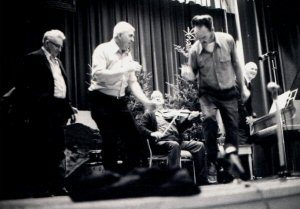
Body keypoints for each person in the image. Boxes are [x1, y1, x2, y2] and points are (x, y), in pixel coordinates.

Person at [181, 15, 250, 182]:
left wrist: (243, 88)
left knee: (232, 129)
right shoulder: (195, 50)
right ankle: (212, 159)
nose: (201, 41)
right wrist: (188, 75)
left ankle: (226, 168)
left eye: (204, 37)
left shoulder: (227, 40)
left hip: (228, 92)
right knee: (210, 120)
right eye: (198, 38)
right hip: (207, 94)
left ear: (212, 30)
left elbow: (237, 65)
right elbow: (192, 73)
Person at [15, 29, 77, 197]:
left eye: (61, 47)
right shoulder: (33, 58)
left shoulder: (57, 62)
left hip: (59, 111)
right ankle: (42, 189)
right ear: (47, 43)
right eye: (57, 46)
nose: (60, 50)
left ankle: (57, 186)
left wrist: (68, 106)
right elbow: (25, 88)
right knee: (42, 150)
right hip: (43, 112)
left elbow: (60, 86)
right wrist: (42, 105)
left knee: (57, 150)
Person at [88, 21, 155, 173]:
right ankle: (111, 179)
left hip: (119, 102)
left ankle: (127, 176)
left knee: (135, 138)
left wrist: (146, 102)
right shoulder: (102, 49)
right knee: (110, 139)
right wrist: (125, 68)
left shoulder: (128, 54)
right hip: (101, 100)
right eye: (130, 35)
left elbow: (132, 81)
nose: (133, 39)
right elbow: (99, 76)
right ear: (119, 35)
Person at [139, 90, 207, 185]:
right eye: (155, 97)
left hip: (176, 141)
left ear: (163, 100)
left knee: (199, 145)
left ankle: (201, 180)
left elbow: (181, 128)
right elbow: (141, 128)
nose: (158, 98)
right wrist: (152, 134)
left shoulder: (171, 113)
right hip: (160, 143)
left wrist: (189, 119)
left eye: (159, 96)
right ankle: (175, 180)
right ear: (151, 101)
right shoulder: (149, 114)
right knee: (174, 145)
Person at [238, 62, 258, 145]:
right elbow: (238, 102)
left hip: (243, 121)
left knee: (248, 145)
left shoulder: (249, 84)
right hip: (238, 121)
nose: (254, 71)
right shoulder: (240, 82)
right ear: (245, 69)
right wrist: (247, 117)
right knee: (244, 146)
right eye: (252, 68)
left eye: (256, 69)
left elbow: (248, 104)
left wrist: (252, 116)